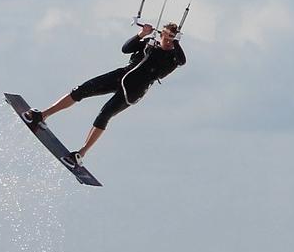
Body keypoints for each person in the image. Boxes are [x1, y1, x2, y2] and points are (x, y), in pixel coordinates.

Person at [24, 22, 185, 167]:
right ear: (161, 33)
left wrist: (175, 41)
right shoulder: (149, 45)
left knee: (104, 114)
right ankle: (42, 116)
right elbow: (126, 49)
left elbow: (182, 60)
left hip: (134, 90)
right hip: (121, 76)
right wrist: (141, 34)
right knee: (81, 90)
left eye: (172, 37)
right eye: (165, 34)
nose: (168, 39)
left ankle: (81, 153)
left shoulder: (173, 57)